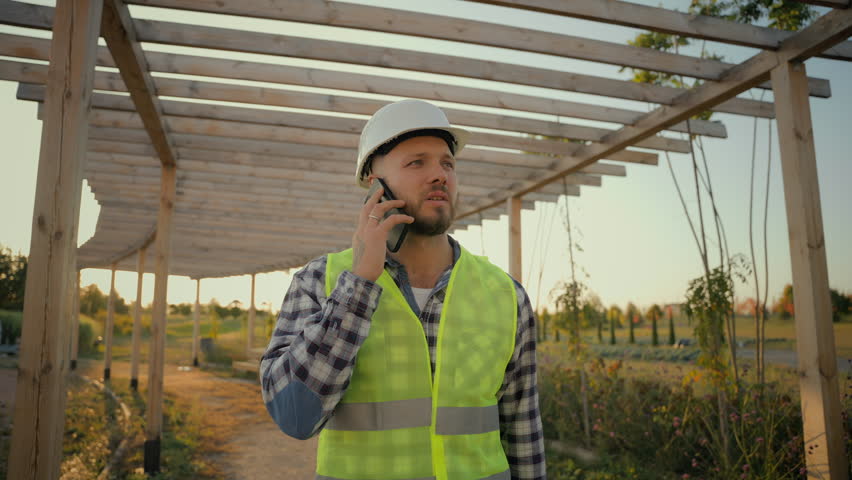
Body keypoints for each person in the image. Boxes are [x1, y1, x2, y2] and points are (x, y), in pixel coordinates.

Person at [260, 99, 546, 480]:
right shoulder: (320, 282)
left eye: (447, 163)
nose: (439, 175)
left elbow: (524, 437)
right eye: (417, 162)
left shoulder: (506, 295)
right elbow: (294, 415)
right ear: (373, 183)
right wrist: (359, 285)